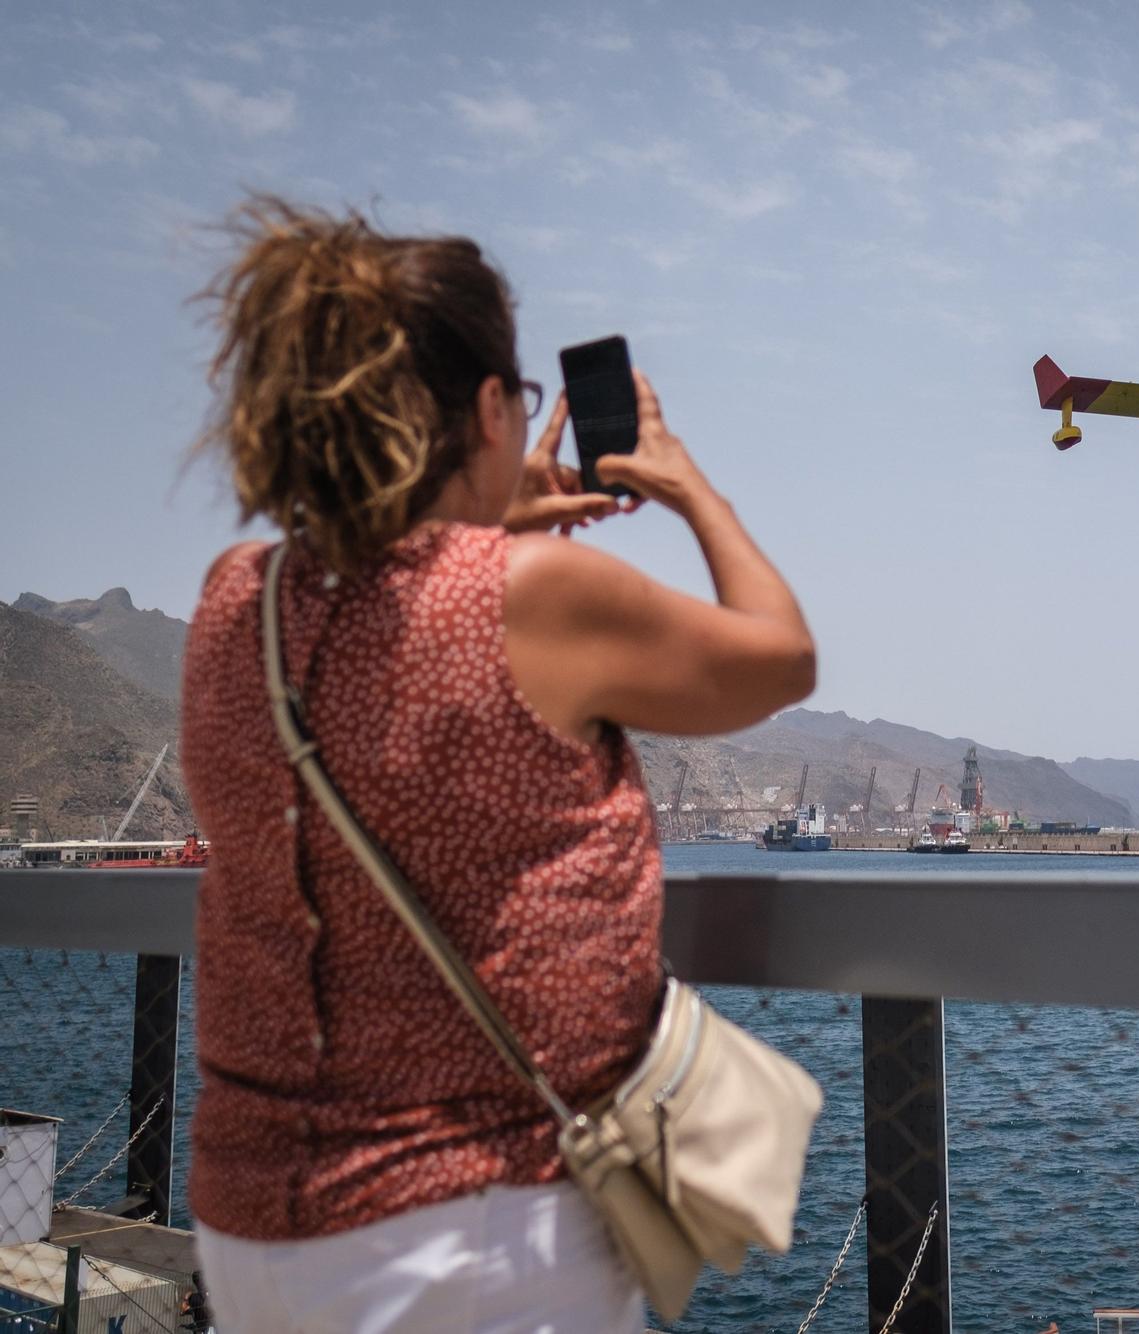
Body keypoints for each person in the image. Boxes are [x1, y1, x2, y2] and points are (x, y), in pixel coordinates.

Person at [179, 198, 815, 1333]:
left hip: (254, 1228)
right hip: (466, 1235)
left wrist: (481, 517)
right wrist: (681, 481)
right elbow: (780, 659)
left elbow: (394, 661)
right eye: (515, 403)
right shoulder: (534, 596)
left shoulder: (240, 599)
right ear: (485, 408)